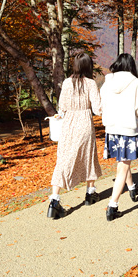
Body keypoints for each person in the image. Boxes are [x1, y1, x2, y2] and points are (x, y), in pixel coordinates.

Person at [47, 53, 102, 220]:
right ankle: (90, 194)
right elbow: (98, 109)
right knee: (88, 156)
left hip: (69, 124)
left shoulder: (66, 82)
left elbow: (62, 107)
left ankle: (54, 201)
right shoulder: (91, 83)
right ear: (88, 66)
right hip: (85, 123)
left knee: (63, 160)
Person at [100, 53, 138, 222]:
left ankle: (132, 187)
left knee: (122, 162)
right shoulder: (136, 83)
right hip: (129, 128)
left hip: (111, 129)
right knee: (122, 166)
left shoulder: (106, 83)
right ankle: (112, 206)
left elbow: (101, 106)